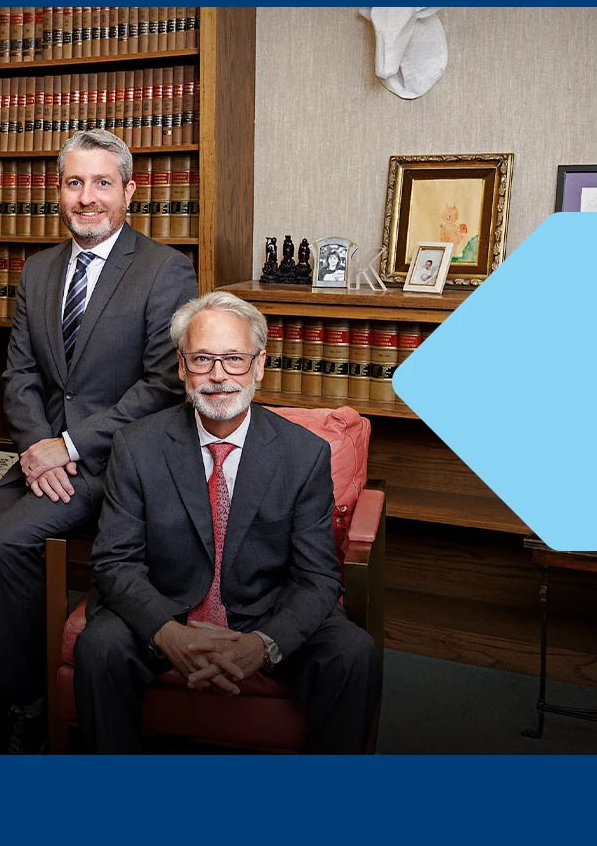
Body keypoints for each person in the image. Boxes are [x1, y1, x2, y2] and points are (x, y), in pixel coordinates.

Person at [0, 129, 196, 754]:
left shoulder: (165, 269)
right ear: (59, 192)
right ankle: (37, 656)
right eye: (75, 183)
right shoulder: (38, 270)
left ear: (130, 191)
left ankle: (24, 701)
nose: (88, 198)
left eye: (102, 183)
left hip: (118, 462)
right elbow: (20, 374)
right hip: (43, 457)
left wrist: (72, 445)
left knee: (8, 541)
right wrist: (37, 447)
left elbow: (163, 384)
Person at [75, 291, 381, 754]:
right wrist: (169, 634)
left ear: (259, 365)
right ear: (181, 367)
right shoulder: (136, 446)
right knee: (100, 647)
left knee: (353, 655)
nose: (219, 376)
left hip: (264, 610)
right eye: (202, 359)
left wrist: (262, 643)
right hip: (168, 605)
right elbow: (115, 563)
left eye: (234, 359)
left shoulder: (303, 454)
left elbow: (317, 577)